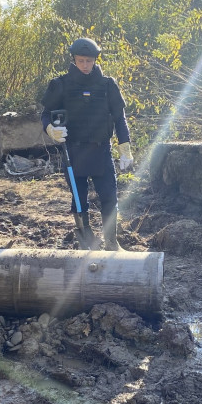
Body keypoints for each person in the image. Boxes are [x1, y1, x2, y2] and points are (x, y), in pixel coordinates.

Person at [40, 37, 134, 251]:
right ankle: (86, 241)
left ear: (95, 60)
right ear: (74, 59)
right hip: (73, 152)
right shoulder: (60, 85)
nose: (85, 65)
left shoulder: (107, 85)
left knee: (109, 197)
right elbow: (45, 114)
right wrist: (50, 130)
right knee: (79, 200)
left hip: (101, 151)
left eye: (89, 61)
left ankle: (112, 241)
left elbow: (119, 118)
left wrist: (125, 148)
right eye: (81, 61)